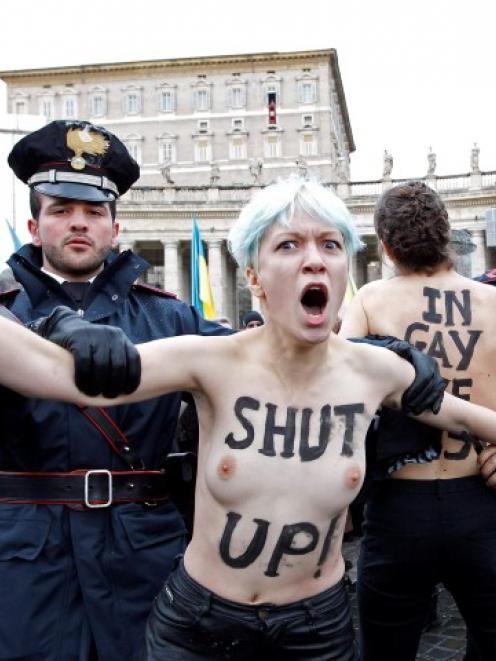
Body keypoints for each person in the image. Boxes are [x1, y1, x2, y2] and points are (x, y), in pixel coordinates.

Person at [5, 177, 496, 660]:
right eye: (287, 245)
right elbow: (55, 373)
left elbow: (477, 420)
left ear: (348, 267)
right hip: (198, 624)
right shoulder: (209, 359)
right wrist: (52, 321)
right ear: (254, 276)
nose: (313, 259)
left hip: (318, 628)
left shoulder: (382, 370)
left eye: (330, 244)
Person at [0, 119, 229, 661]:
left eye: (93, 212)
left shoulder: (170, 315)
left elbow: (267, 358)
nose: (78, 223)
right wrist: (41, 333)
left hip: (141, 553)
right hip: (25, 557)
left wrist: (381, 349)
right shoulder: (3, 313)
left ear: (115, 228)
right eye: (60, 210)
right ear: (34, 227)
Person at [339, 180, 496, 661]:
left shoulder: (368, 300)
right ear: (448, 235)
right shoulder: (493, 304)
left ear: (384, 246)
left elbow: (338, 399)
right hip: (483, 501)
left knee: (387, 647)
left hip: (399, 507)